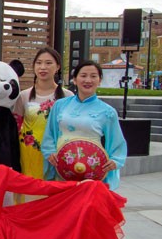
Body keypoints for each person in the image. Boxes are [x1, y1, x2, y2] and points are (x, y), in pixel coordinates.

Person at [42, 60, 127, 191]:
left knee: (84, 208)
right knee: (63, 207)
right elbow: (50, 134)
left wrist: (115, 160)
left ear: (99, 80)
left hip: (92, 171)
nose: (88, 80)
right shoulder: (60, 105)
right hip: (62, 167)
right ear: (75, 80)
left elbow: (117, 142)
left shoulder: (107, 111)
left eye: (93, 76)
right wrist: (50, 152)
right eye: (83, 76)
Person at [13, 47, 73, 204]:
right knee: (29, 196)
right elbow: (16, 124)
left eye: (48, 63)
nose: (43, 67)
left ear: (58, 66)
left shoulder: (67, 97)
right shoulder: (24, 96)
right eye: (39, 63)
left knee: (52, 198)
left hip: (55, 154)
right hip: (28, 154)